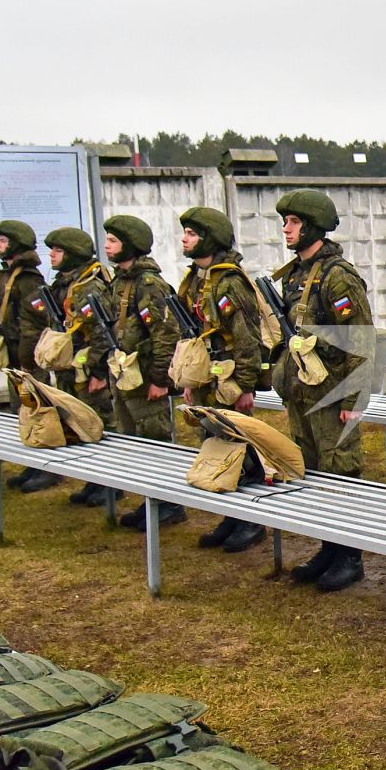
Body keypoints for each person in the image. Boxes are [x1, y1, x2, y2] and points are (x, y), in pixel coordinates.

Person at [271, 190, 376, 591]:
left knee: (340, 472)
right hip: (303, 392)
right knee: (312, 471)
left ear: (313, 225)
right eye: (286, 222)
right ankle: (328, 548)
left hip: (332, 394)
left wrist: (354, 400)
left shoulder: (337, 276)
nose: (286, 229)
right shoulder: (296, 275)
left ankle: (349, 556)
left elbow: (361, 340)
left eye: (294, 222)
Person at [177, 206, 269, 555]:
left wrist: (246, 386)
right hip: (206, 379)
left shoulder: (229, 282)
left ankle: (250, 521)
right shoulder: (198, 280)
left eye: (192, 233)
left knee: (240, 451)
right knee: (214, 447)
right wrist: (190, 379)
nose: (185, 239)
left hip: (229, 381)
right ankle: (230, 516)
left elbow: (247, 338)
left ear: (210, 239)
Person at [102, 215, 185, 530]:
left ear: (130, 244)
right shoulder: (121, 281)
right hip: (126, 375)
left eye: (113, 240)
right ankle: (150, 499)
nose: (107, 245)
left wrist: (160, 380)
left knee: (156, 438)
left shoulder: (148, 284)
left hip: (147, 378)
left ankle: (170, 503)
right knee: (134, 441)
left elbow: (165, 333)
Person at [44, 227, 116, 507]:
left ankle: (108, 484)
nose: (51, 255)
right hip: (72, 368)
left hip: (89, 370)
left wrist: (98, 373)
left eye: (58, 250)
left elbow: (102, 331)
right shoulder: (65, 283)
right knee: (78, 422)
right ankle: (93, 479)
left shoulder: (90, 286)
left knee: (98, 423)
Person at [0, 219, 60, 492]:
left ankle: (48, 466)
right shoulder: (6, 276)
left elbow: (37, 321)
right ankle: (32, 461)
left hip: (28, 356)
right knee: (21, 410)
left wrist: (28, 357)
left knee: (39, 410)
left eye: (4, 241)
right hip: (15, 354)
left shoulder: (29, 280)